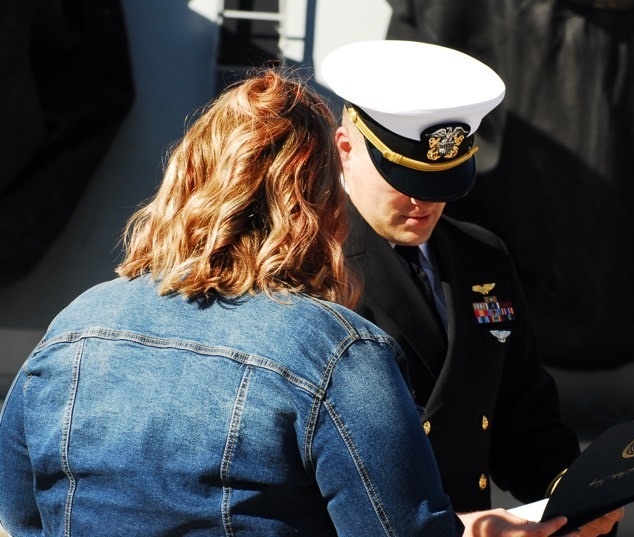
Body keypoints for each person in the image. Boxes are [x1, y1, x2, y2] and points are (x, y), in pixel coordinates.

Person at [0, 68, 593, 537]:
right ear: (314, 198)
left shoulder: (74, 327)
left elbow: (21, 518)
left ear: (181, 177)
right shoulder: (335, 347)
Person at [322, 39, 623, 534]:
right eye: (405, 178)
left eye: (441, 183)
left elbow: (520, 411)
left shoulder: (482, 257)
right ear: (346, 149)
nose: (424, 203)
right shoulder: (311, 263)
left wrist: (573, 496)